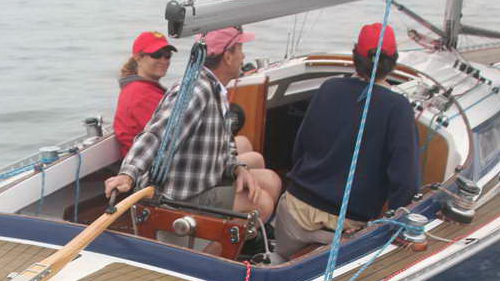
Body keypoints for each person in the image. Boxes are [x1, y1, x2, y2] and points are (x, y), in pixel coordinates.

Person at [105, 26, 280, 223]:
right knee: (262, 203)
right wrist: (128, 174)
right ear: (228, 57)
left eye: (167, 56)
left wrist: (237, 169)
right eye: (240, 49)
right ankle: (221, 242)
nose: (244, 55)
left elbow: (225, 146)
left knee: (271, 181)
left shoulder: (216, 88)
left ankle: (246, 233)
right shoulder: (196, 91)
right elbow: (157, 136)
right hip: (179, 198)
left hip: (203, 181)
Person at [274, 22, 419, 259]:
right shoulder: (398, 108)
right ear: (393, 61)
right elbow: (406, 183)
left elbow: (299, 150)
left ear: (354, 56)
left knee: (280, 258)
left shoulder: (328, 88)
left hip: (293, 217)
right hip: (344, 228)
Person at [113, 31, 177, 155]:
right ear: (138, 58)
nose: (163, 60)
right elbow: (169, 137)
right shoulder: (141, 94)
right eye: (156, 55)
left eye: (167, 56)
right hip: (148, 164)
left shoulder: (140, 88)